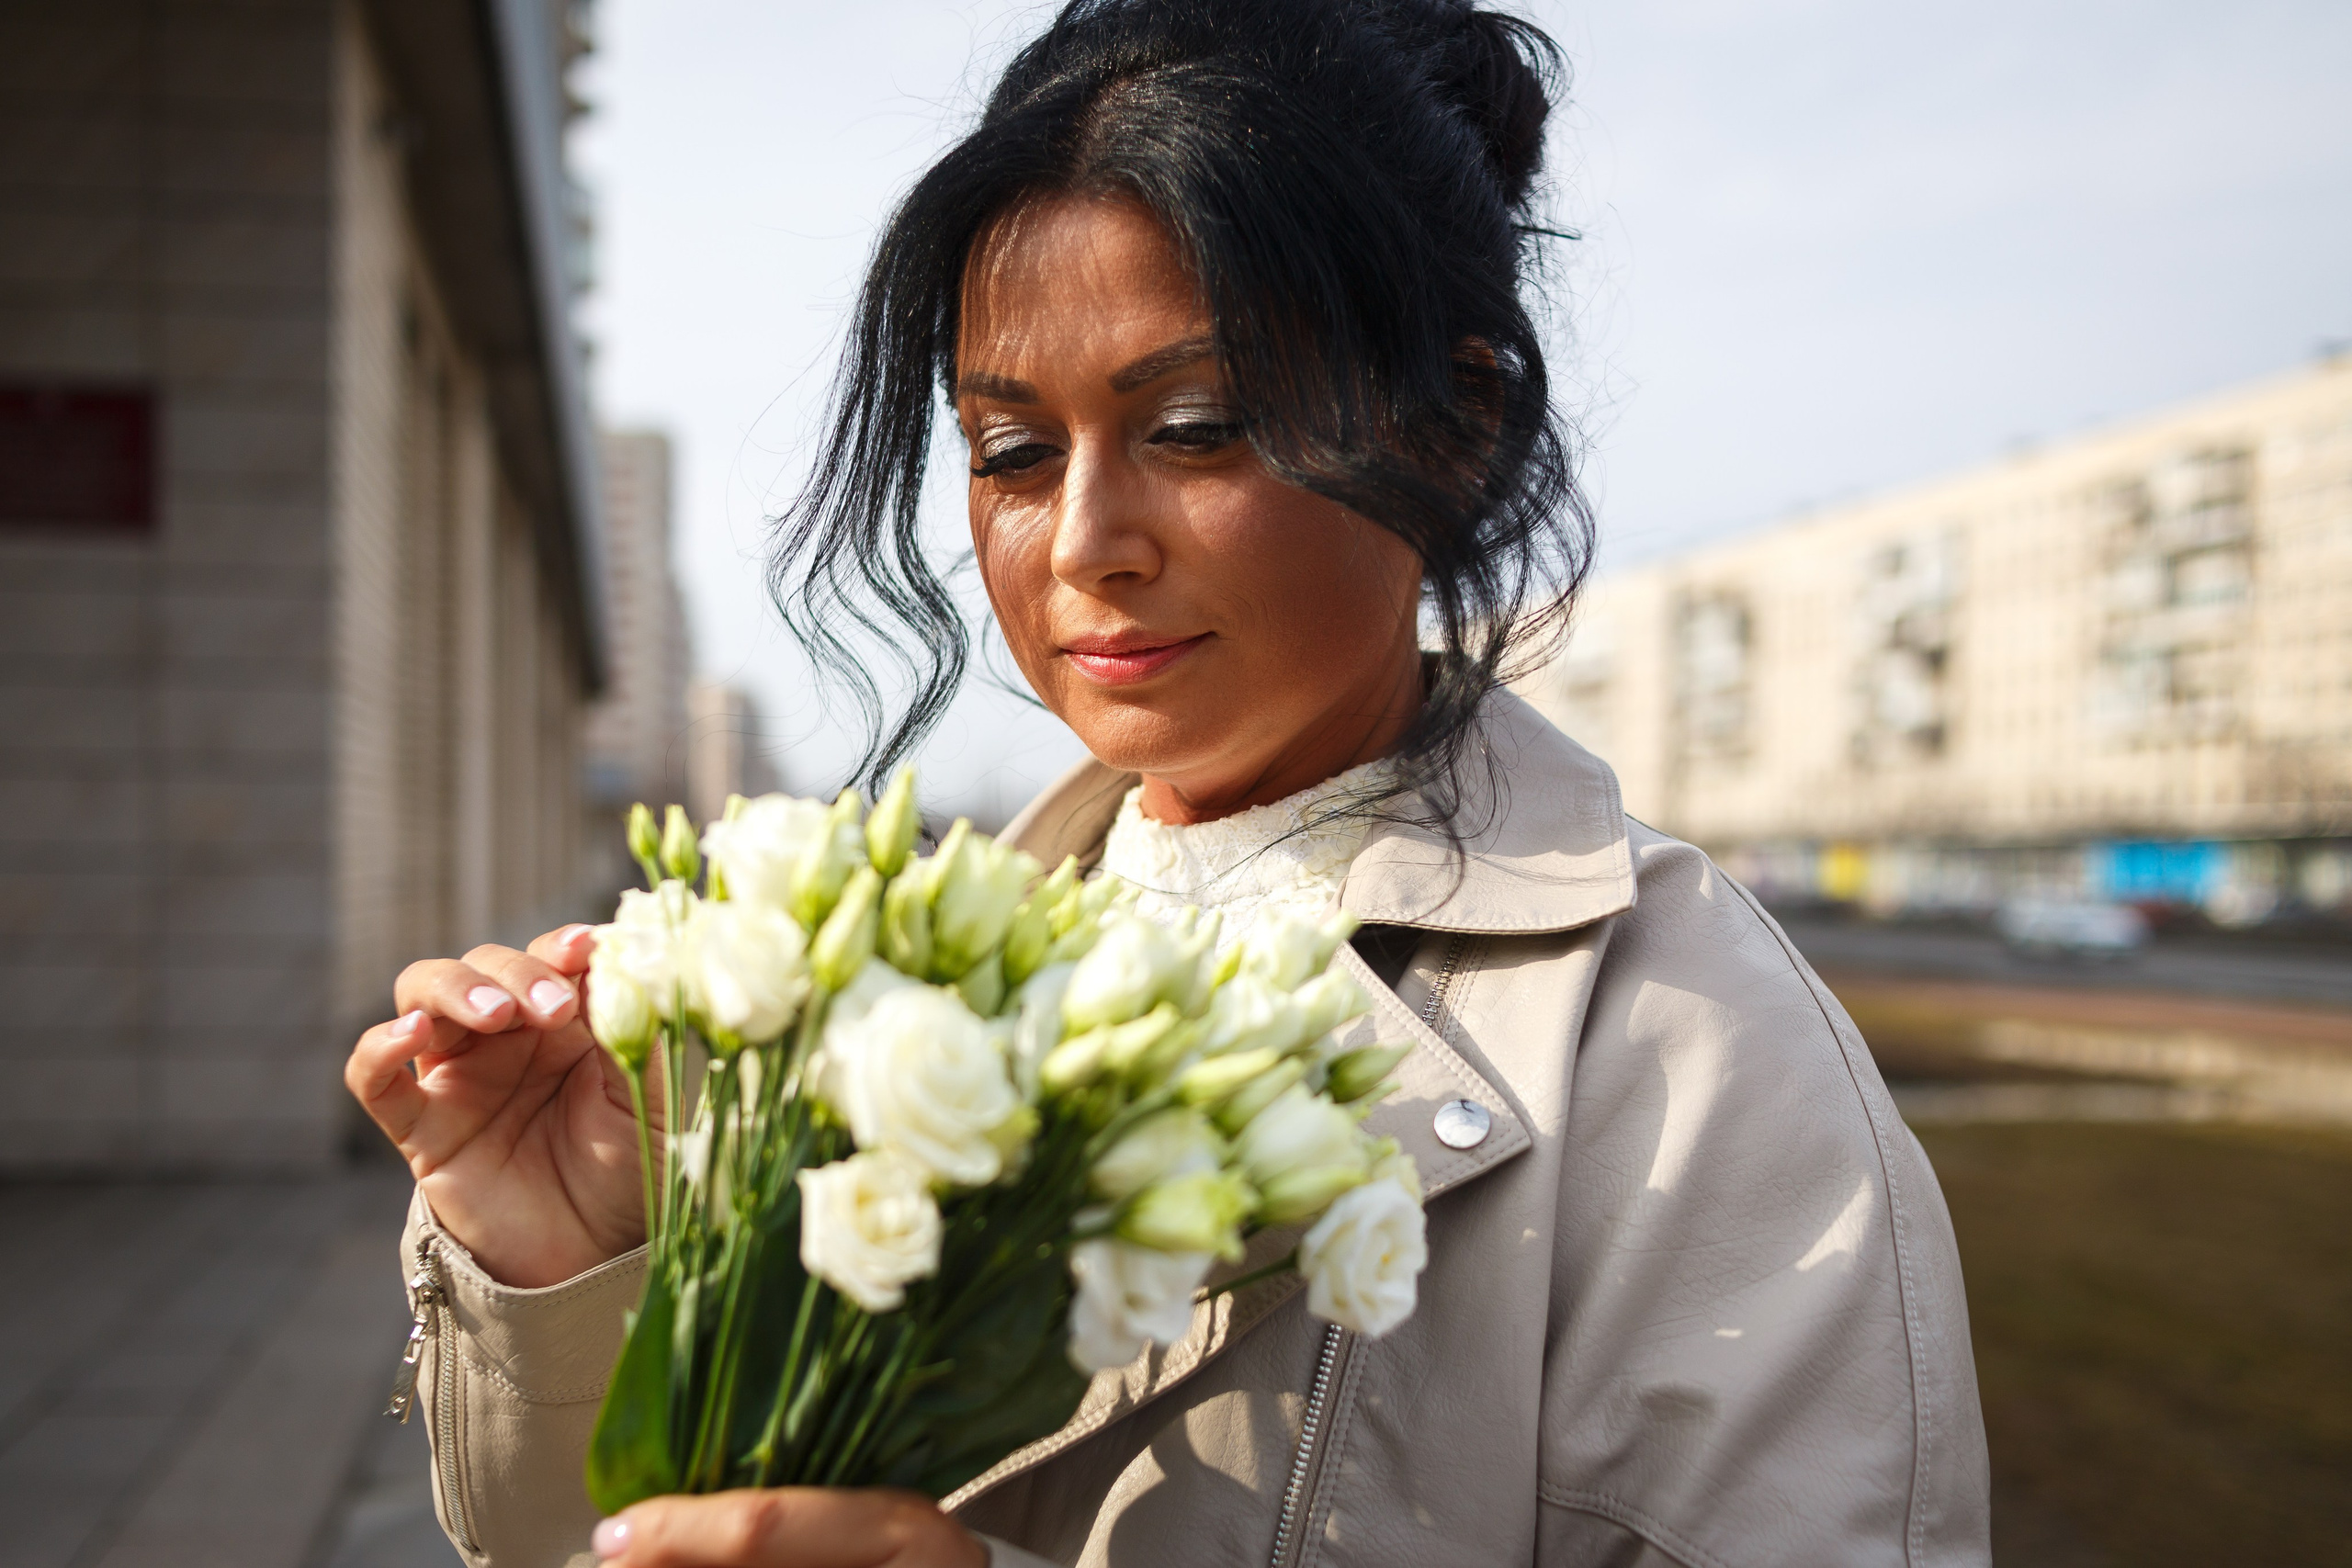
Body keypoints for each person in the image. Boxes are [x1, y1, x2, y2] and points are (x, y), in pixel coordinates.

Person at [343, 1, 1992, 1563]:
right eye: (1010, 449)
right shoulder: (896, 972)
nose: (1080, 545)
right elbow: (578, 1535)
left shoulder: (1683, 1053)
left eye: (1195, 427)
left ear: (1456, 419)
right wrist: (565, 1255)